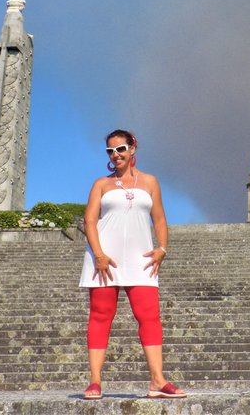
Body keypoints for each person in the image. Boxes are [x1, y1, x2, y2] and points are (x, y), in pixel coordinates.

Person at [79, 129, 186, 400]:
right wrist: (99, 254)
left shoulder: (150, 182)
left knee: (149, 317)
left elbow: (159, 219)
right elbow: (90, 221)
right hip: (104, 259)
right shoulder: (101, 184)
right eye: (110, 151)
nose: (116, 155)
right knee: (100, 316)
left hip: (140, 259)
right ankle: (95, 382)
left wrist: (162, 248)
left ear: (133, 148)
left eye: (121, 149)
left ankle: (158, 381)